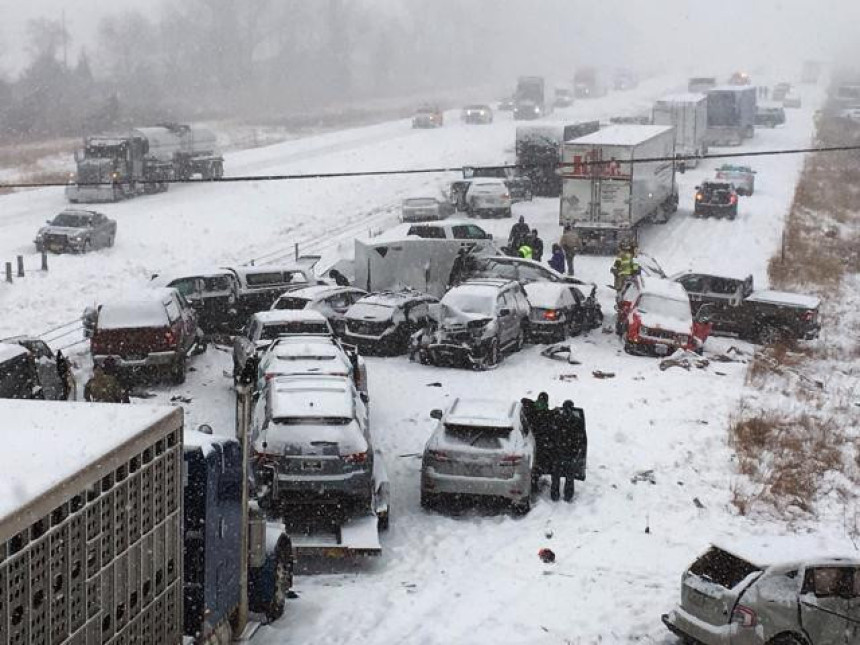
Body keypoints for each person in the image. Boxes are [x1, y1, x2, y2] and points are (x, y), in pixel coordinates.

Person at [549, 400, 588, 502]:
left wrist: (553, 448)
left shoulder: (558, 419)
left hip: (559, 452)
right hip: (570, 453)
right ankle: (568, 495)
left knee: (556, 476)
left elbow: (552, 435)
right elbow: (580, 438)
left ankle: (555, 494)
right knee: (569, 476)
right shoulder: (576, 420)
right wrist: (577, 451)